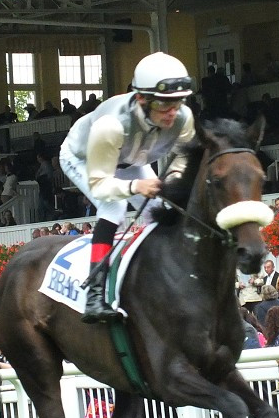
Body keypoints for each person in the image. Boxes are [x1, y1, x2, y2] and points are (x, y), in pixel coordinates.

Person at [59, 52, 197, 323]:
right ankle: (94, 297)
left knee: (159, 212)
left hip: (131, 157)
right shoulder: (111, 125)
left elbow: (185, 156)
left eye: (179, 102)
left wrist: (173, 179)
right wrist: (136, 186)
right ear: (142, 99)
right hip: (85, 158)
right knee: (115, 206)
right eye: (164, 104)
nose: (173, 111)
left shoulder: (184, 117)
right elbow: (100, 186)